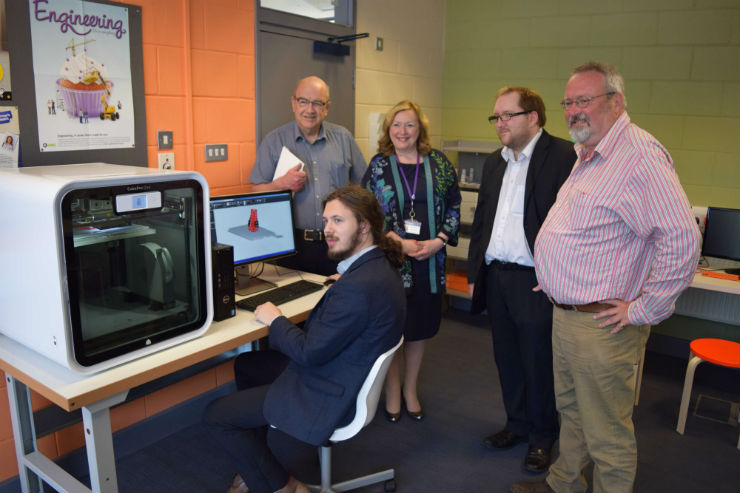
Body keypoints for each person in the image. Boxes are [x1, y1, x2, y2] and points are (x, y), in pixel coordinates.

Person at [511, 62, 700, 493]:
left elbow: (682, 238)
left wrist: (647, 307)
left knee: (607, 432)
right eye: (568, 102)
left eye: (585, 100)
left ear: (615, 102)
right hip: (569, 314)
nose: (574, 110)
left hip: (603, 325)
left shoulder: (637, 156)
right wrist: (556, 275)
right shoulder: (592, 154)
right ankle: (564, 484)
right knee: (573, 413)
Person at [205, 185, 406, 493]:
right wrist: (343, 282)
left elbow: (309, 353)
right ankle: (257, 465)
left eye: (338, 221)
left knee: (218, 416)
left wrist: (275, 319)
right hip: (345, 370)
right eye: (326, 221)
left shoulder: (359, 287)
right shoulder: (375, 268)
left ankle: (284, 486)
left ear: (364, 227)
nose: (328, 230)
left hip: (329, 389)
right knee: (248, 365)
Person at [467, 87, 575, 473]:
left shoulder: (563, 157)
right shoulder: (495, 162)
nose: (500, 123)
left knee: (538, 363)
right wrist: (476, 272)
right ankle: (516, 424)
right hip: (497, 276)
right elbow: (483, 220)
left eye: (508, 115)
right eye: (496, 117)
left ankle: (543, 436)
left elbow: (574, 226)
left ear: (533, 117)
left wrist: (556, 277)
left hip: (536, 282)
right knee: (507, 359)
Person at [362, 100, 461, 422]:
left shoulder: (439, 164)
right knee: (393, 330)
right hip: (391, 263)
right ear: (388, 129)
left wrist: (439, 241)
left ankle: (410, 389)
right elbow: (366, 212)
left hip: (430, 263)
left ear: (420, 130)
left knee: (419, 330)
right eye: (397, 125)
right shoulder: (378, 166)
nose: (403, 131)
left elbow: (454, 206)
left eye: (410, 125)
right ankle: (391, 392)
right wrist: (397, 242)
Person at [249, 76, 367, 276]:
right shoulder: (273, 141)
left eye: (317, 103)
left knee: (337, 299)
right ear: (293, 103)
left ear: (326, 107)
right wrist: (281, 184)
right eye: (303, 101)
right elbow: (255, 193)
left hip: (340, 242)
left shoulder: (343, 138)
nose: (310, 110)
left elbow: (364, 188)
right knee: (295, 301)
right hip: (292, 245)